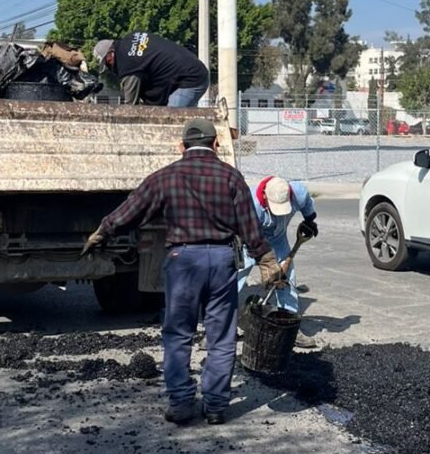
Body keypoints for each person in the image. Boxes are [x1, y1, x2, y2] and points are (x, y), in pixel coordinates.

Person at [82, 118, 281, 426]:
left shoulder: (165, 177)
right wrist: (267, 260)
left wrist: (102, 232)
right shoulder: (232, 177)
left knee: (178, 333)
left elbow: (132, 209)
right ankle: (215, 406)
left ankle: (182, 404)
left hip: (183, 260)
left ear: (181, 146)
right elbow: (249, 227)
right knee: (221, 336)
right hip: (222, 260)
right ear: (216, 145)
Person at [238, 176, 319, 348]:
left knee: (287, 278)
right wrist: (266, 263)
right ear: (265, 197)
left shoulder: (298, 192)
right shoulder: (250, 202)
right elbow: (244, 233)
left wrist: (310, 220)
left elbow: (307, 207)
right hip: (250, 240)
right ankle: (217, 328)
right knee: (234, 279)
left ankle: (290, 327)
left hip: (278, 239)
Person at [92, 33, 209, 107]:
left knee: (170, 119)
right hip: (192, 69)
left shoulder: (126, 64)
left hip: (191, 78)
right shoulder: (130, 38)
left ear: (111, 54)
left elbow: (130, 105)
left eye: (107, 62)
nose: (109, 67)